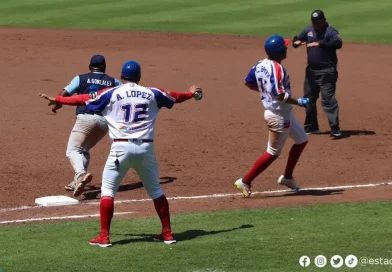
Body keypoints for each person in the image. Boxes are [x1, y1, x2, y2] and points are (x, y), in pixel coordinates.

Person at [39, 60, 203, 247]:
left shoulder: (112, 93)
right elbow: (175, 96)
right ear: (139, 78)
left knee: (108, 191)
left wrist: (59, 99)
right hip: (145, 150)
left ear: (122, 77)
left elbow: (83, 98)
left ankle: (104, 236)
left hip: (120, 150)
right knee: (156, 191)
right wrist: (191, 93)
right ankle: (167, 233)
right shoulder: (152, 92)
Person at [234, 35, 309, 197]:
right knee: (273, 152)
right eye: (285, 47)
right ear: (280, 51)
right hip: (278, 115)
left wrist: (264, 92)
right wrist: (299, 102)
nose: (287, 48)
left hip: (284, 111)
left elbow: (248, 82)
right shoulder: (277, 69)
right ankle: (245, 180)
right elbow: (280, 94)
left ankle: (287, 177)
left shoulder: (260, 64)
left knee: (302, 140)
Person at [56, 55, 121, 195]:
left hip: (86, 119)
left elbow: (64, 93)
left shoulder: (81, 78)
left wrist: (57, 104)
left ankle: (80, 174)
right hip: (104, 123)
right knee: (83, 150)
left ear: (90, 67)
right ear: (104, 67)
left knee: (72, 150)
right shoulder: (113, 81)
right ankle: (77, 182)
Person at [292, 10, 343, 138]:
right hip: (311, 71)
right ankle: (311, 127)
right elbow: (297, 38)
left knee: (328, 99)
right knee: (309, 99)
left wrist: (320, 44)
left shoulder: (331, 31)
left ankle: (335, 128)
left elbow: (338, 43)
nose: (315, 24)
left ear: (323, 20)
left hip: (327, 71)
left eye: (317, 22)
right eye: (313, 22)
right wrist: (296, 42)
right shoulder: (309, 30)